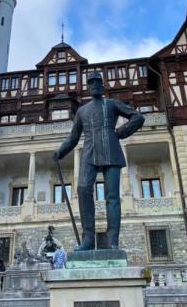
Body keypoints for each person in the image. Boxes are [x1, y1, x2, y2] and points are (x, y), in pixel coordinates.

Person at [54, 70, 144, 250]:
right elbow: (73, 138)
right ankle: (88, 239)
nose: (94, 84)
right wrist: (60, 151)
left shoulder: (112, 104)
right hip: (89, 152)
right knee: (83, 188)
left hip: (111, 151)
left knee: (112, 197)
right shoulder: (81, 111)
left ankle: (112, 241)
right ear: (87, 87)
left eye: (97, 82)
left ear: (102, 85)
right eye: (91, 82)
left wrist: (119, 133)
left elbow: (138, 117)